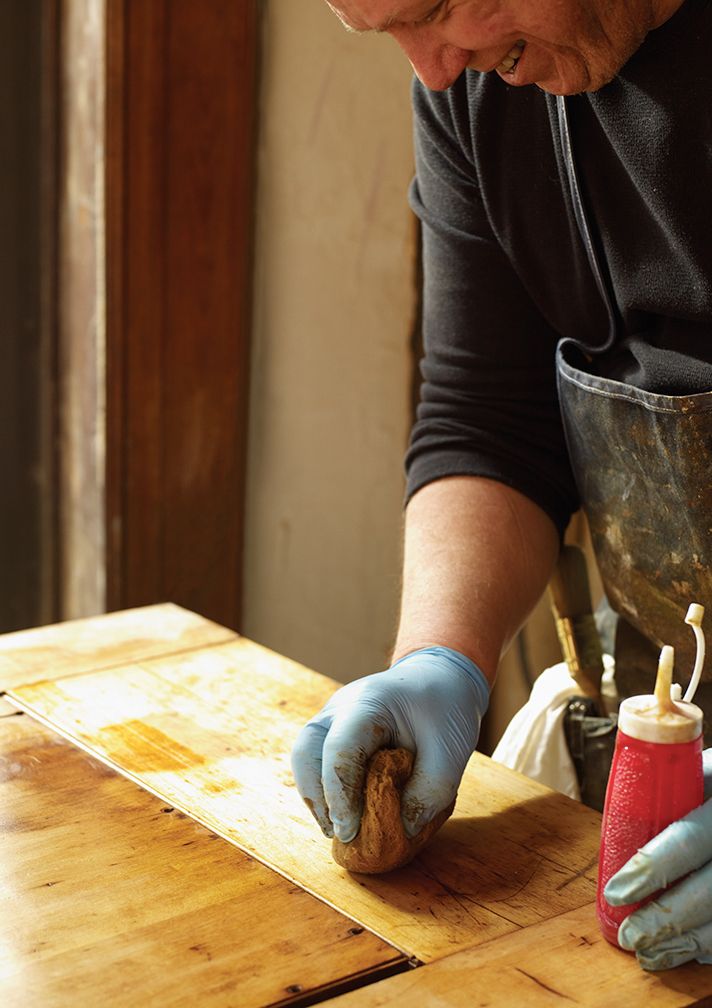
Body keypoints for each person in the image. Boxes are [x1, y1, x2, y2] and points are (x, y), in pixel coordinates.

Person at [291, 0, 712, 971]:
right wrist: (438, 658)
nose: (432, 71)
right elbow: (489, 417)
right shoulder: (480, 84)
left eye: (433, 8)